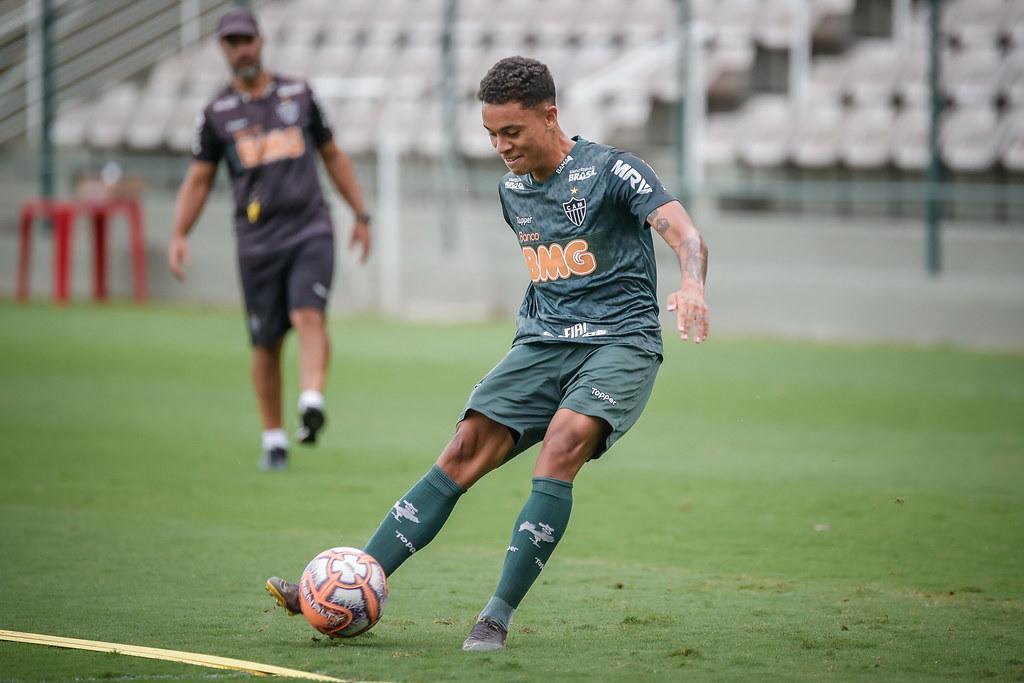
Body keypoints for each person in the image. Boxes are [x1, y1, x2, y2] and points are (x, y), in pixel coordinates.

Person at [266, 56, 709, 651]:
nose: (500, 146)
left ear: (550, 116)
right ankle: (342, 588)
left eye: (511, 132)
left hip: (620, 341)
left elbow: (684, 231)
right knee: (462, 449)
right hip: (542, 342)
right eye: (491, 134)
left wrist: (693, 283)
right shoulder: (512, 189)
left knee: (561, 442)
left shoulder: (614, 171)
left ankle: (495, 617)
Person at [168, 7, 372, 471]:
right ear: (224, 50)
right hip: (257, 241)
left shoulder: (299, 95)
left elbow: (333, 155)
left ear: (261, 42)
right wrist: (180, 232)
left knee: (309, 313)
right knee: (265, 342)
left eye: (247, 40)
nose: (241, 49)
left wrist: (360, 213)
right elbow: (199, 180)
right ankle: (275, 438)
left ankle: (311, 399)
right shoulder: (216, 114)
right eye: (231, 43)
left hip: (310, 227)